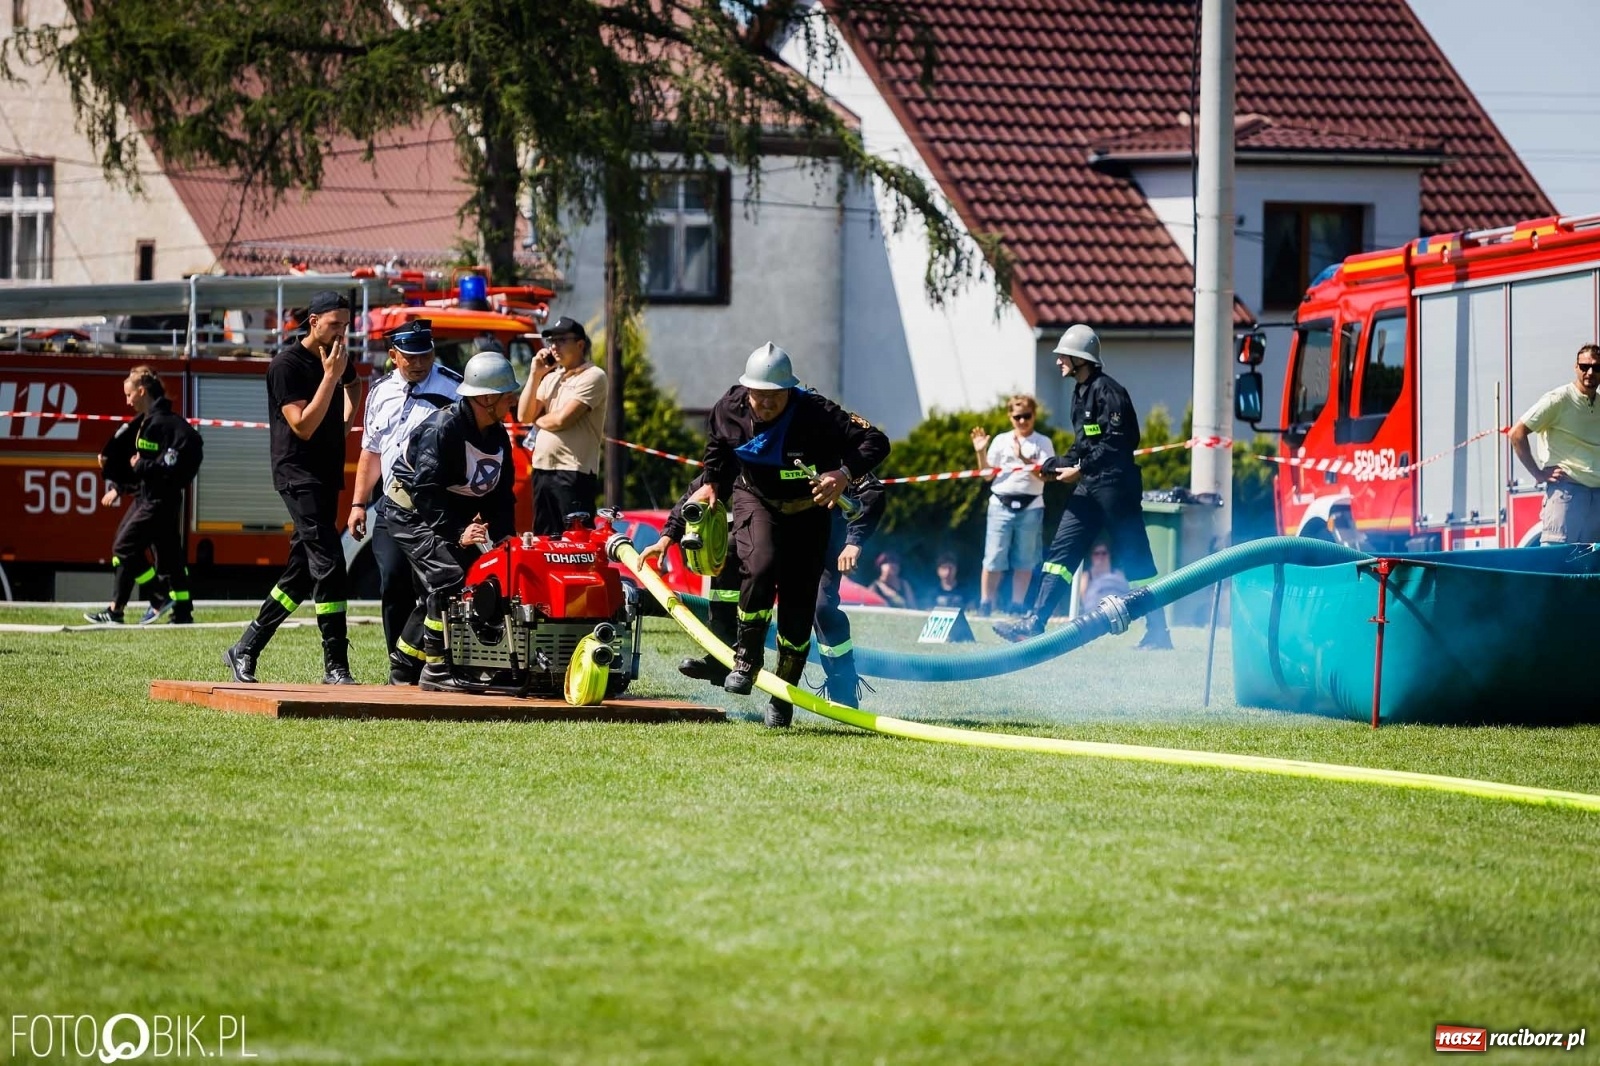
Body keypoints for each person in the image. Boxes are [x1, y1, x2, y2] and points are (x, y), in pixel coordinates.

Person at [679, 342, 890, 727]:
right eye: (760, 395)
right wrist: (711, 483)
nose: (767, 404)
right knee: (760, 565)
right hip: (755, 500)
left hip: (809, 515)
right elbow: (717, 449)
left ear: (790, 390)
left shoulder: (817, 411)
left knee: (798, 610)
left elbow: (876, 441)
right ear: (747, 389)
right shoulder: (728, 408)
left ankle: (782, 694)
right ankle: (746, 659)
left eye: (776, 396)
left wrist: (842, 475)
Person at [645, 469, 887, 708]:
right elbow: (709, 482)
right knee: (730, 550)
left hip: (819, 540)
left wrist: (854, 541)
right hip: (768, 530)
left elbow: (870, 491)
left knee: (821, 606)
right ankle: (723, 655)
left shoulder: (824, 435)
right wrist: (669, 535)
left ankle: (841, 682)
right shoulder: (761, 439)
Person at [995, 324, 1172, 649]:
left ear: (1081, 358)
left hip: (1117, 489)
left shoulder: (1109, 392)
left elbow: (1120, 443)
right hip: (1089, 487)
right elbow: (1084, 445)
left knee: (1138, 562)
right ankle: (1035, 622)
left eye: (1064, 355)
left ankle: (1159, 632)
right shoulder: (1079, 393)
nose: (1059, 360)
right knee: (1061, 552)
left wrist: (1080, 468)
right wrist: (1056, 464)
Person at [224, 290, 363, 685]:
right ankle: (336, 665)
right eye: (334, 324)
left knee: (302, 575)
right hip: (296, 473)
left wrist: (346, 420)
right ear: (313, 321)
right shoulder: (286, 365)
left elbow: (355, 387)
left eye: (346, 325)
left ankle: (245, 647)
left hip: (325, 473)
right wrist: (331, 377)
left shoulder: (338, 357)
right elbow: (301, 425)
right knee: (331, 563)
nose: (341, 333)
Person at [385, 350, 520, 692]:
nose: (513, 402)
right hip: (411, 513)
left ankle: (402, 669)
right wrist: (459, 532)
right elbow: (426, 491)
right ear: (487, 398)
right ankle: (436, 671)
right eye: (508, 396)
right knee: (450, 577)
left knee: (475, 577)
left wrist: (505, 537)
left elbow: (500, 494)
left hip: (443, 513)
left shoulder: (497, 435)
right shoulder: (442, 429)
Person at [345, 319, 461, 684]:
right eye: (410, 356)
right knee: (392, 581)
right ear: (393, 355)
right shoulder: (379, 392)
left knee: (432, 586)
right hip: (391, 504)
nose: (419, 363)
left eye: (425, 354)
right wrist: (358, 503)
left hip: (435, 507)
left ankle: (435, 662)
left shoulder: (454, 387)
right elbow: (372, 452)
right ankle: (399, 665)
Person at [84, 366, 203, 625]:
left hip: (158, 501)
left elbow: (184, 452)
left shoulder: (166, 424)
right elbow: (134, 463)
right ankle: (181, 612)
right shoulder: (145, 421)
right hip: (148, 497)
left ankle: (158, 597)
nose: (127, 401)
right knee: (169, 557)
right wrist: (119, 485)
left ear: (141, 391)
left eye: (129, 395)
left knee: (124, 547)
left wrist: (144, 466)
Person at [517, 315, 607, 535]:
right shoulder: (550, 377)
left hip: (573, 471)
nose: (554, 347)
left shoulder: (593, 376)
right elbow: (523, 415)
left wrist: (538, 420)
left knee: (576, 539)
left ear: (580, 344)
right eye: (551, 341)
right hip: (542, 469)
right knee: (544, 539)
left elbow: (561, 420)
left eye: (561, 340)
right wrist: (535, 374)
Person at [970, 395, 1055, 616]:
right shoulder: (1000, 440)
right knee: (994, 557)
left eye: (1027, 416)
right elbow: (987, 476)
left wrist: (1023, 457)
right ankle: (986, 603)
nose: (1022, 421)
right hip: (1000, 504)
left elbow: (1047, 475)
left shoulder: (1043, 442)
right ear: (1010, 416)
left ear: (1034, 415)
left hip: (1032, 506)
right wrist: (980, 451)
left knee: (1025, 559)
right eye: (1018, 417)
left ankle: (1016, 605)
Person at [1509, 343, 1600, 544]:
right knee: (1557, 560)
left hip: (1597, 499)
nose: (1590, 372)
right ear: (1576, 368)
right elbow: (1517, 434)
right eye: (1584, 367)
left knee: (1591, 567)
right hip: (1567, 493)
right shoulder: (1559, 399)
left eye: (1596, 367)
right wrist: (1538, 474)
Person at [1073, 543, 1130, 618]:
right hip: (1096, 617)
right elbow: (1084, 602)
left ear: (1109, 555)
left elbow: (1126, 593)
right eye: (1097, 554)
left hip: (1120, 614)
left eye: (1104, 553)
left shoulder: (1119, 574)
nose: (1100, 556)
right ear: (1092, 556)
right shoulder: (1085, 577)